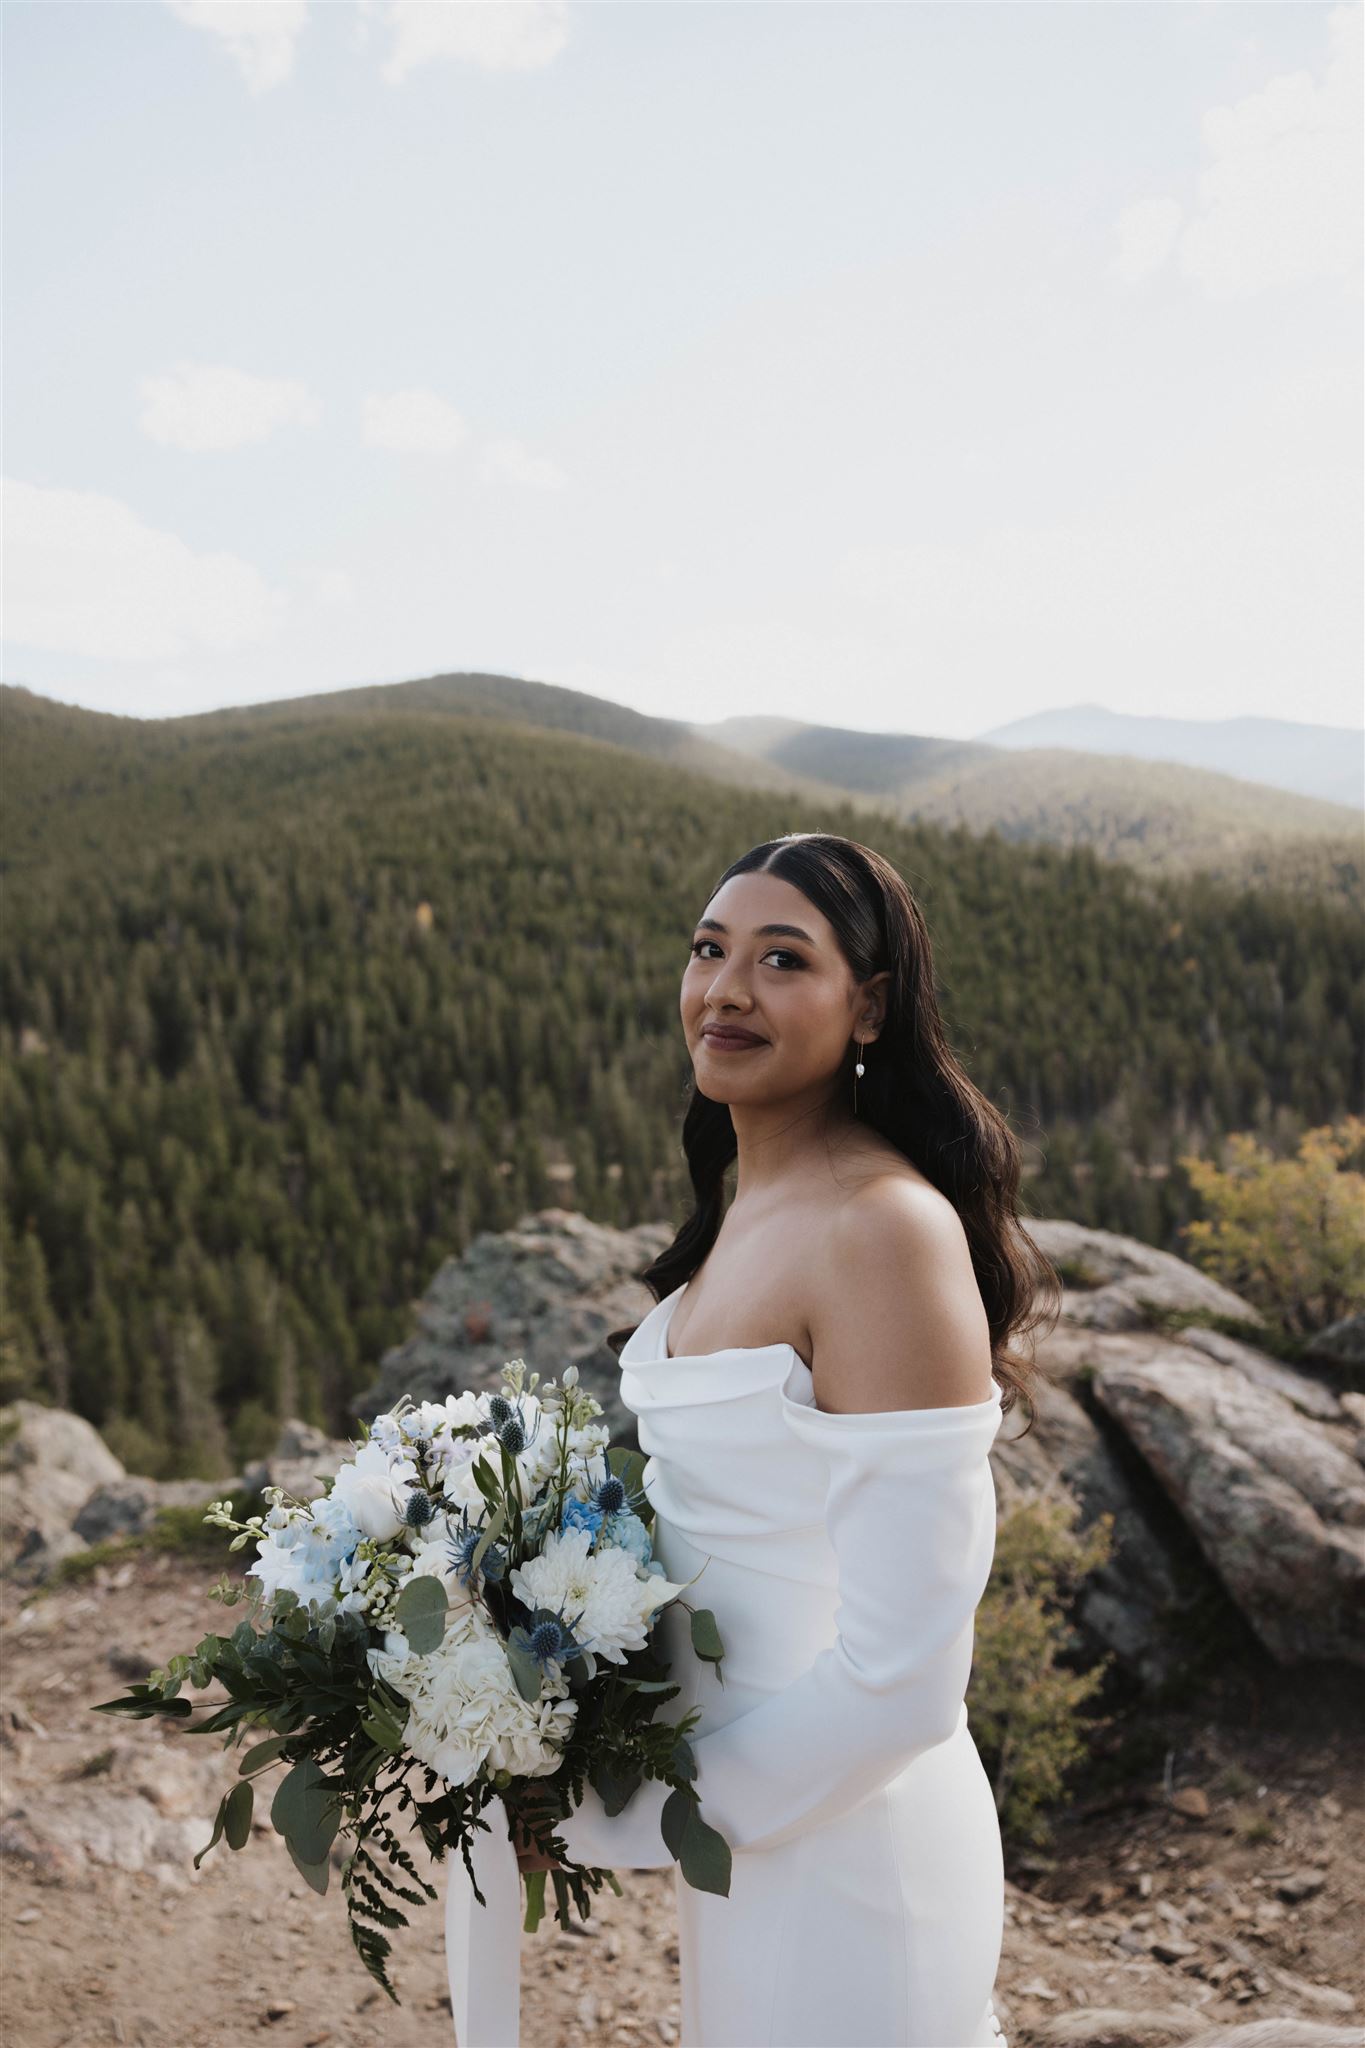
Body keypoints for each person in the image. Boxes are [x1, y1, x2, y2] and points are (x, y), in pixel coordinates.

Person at [448, 830, 1057, 2047]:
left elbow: (904, 1679)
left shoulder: (885, 1231)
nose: (726, 987)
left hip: (851, 1832)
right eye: (710, 948)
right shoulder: (752, 1198)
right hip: (753, 1823)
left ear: (868, 1004)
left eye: (784, 959)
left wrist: (639, 1811)